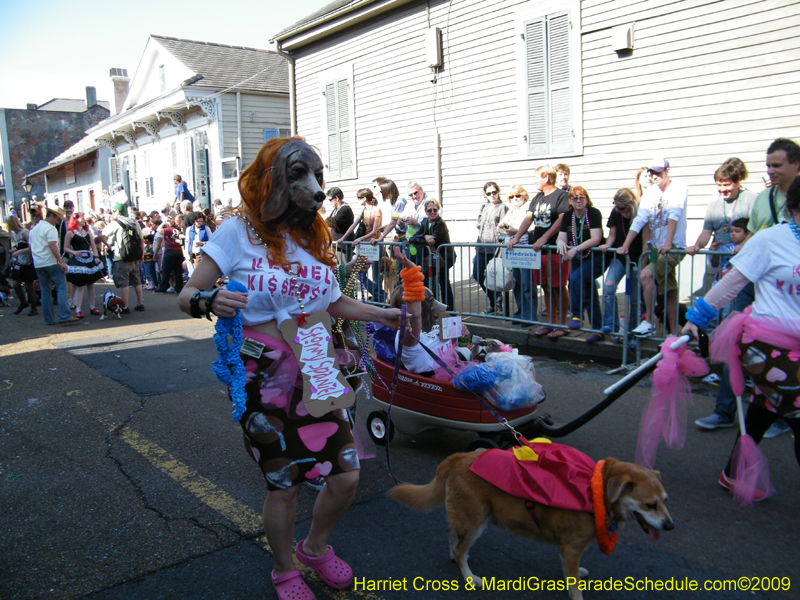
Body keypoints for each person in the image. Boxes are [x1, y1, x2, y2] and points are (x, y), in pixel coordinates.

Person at [177, 137, 402, 599]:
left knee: (345, 475)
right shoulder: (235, 232)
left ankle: (315, 548)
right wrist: (211, 298)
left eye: (317, 175)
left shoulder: (311, 236)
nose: (314, 188)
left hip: (316, 364)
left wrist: (381, 314)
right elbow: (187, 294)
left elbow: (330, 300)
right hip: (264, 379)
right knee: (285, 483)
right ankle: (284, 569)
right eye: (299, 175)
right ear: (272, 180)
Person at [681, 175, 800, 497]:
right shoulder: (770, 240)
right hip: (768, 346)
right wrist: (697, 317)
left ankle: (733, 474)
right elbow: (733, 282)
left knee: (765, 407)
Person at [619, 158, 689, 337]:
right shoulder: (650, 192)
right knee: (670, 291)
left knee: (646, 274)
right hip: (657, 248)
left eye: (658, 172)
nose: (655, 176)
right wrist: (625, 245)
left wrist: (668, 243)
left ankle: (648, 321)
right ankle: (673, 334)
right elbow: (641, 219)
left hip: (673, 247)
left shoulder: (678, 187)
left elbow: (675, 214)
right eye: (652, 173)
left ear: (667, 171)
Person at [506, 165, 571, 338]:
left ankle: (563, 323)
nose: (535, 181)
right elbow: (528, 219)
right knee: (546, 286)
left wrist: (545, 238)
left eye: (537, 177)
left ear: (547, 178)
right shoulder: (537, 198)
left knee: (558, 286)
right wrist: (517, 237)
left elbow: (562, 219)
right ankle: (550, 322)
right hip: (539, 251)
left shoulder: (561, 196)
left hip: (554, 248)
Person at [685, 159, 757, 295]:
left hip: (741, 260)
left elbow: (755, 228)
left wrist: (744, 245)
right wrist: (697, 245)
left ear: (736, 182)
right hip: (718, 260)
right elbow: (706, 232)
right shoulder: (714, 205)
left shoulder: (750, 199)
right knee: (712, 296)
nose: (722, 189)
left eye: (727, 185)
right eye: (719, 185)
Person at [556, 186, 605, 342]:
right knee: (590, 293)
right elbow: (562, 236)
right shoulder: (567, 216)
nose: (578, 200)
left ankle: (576, 315)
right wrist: (560, 243)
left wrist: (575, 249)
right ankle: (598, 331)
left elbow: (596, 238)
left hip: (594, 257)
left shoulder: (593, 213)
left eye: (581, 197)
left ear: (587, 199)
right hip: (578, 258)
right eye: (575, 198)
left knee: (576, 280)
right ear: (570, 200)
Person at [598, 189, 641, 337]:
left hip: (638, 259)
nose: (618, 210)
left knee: (635, 298)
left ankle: (633, 332)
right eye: (616, 207)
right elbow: (612, 234)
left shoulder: (641, 213)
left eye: (621, 208)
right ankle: (611, 325)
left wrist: (647, 264)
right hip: (620, 258)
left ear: (630, 205)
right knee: (608, 287)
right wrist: (607, 245)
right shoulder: (616, 212)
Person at [29, 205, 78, 325]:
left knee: (45, 291)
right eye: (57, 220)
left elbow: (31, 247)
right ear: (51, 216)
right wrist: (60, 262)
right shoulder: (50, 229)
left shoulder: (34, 229)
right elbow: (52, 245)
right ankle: (64, 315)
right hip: (51, 262)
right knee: (62, 288)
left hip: (39, 264)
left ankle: (49, 319)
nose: (57, 223)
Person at [409, 199, 455, 311]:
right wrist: (425, 237)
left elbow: (434, 240)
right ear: (426, 211)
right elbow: (413, 238)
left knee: (444, 284)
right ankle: (431, 310)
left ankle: (450, 311)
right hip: (432, 259)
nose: (433, 212)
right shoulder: (424, 222)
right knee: (427, 282)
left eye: (435, 209)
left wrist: (423, 237)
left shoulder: (441, 223)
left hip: (444, 258)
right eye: (430, 210)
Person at [499, 185, 535, 323]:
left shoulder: (528, 209)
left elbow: (530, 227)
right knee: (517, 283)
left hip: (524, 249)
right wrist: (503, 227)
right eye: (512, 196)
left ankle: (529, 315)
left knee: (527, 283)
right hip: (512, 250)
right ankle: (520, 312)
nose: (515, 199)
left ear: (524, 196)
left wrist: (516, 231)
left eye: (518, 195)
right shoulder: (512, 210)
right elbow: (504, 225)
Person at [99, 203, 145, 313]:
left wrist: (108, 245)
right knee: (137, 281)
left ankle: (125, 306)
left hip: (121, 257)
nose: (112, 214)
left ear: (118, 212)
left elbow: (101, 235)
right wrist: (141, 254)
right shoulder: (134, 223)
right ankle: (140, 304)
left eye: (114, 211)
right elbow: (141, 239)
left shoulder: (115, 224)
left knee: (124, 283)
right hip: (134, 257)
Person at [748, 138, 800, 234]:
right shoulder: (763, 196)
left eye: (776, 166)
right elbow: (752, 233)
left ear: (796, 164)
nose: (770, 171)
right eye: (768, 166)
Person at [472, 182, 508, 314]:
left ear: (498, 192)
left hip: (495, 248)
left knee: (495, 275)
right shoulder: (484, 207)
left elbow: (504, 227)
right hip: (481, 246)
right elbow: (479, 225)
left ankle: (497, 305)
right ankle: (495, 299)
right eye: (489, 193)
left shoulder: (502, 207)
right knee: (477, 273)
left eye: (494, 192)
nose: (492, 195)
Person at [64, 212, 104, 318]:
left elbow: (93, 246)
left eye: (83, 218)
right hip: (77, 260)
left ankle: (92, 307)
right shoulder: (70, 233)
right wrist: (74, 252)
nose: (83, 220)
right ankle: (78, 309)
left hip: (88, 259)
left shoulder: (87, 232)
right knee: (80, 285)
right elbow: (65, 248)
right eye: (80, 218)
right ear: (75, 220)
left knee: (91, 284)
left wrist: (96, 257)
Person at [6, 215, 39, 316]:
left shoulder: (24, 233)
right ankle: (23, 302)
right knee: (15, 284)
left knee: (28, 286)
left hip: (27, 262)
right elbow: (17, 245)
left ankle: (34, 308)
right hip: (19, 262)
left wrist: (19, 251)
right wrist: (14, 250)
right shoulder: (14, 234)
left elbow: (32, 247)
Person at [154, 220, 185, 294]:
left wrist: (163, 223)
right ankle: (179, 288)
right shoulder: (179, 230)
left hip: (170, 251)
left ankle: (162, 288)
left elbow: (158, 230)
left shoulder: (169, 230)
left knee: (166, 271)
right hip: (179, 251)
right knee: (178, 271)